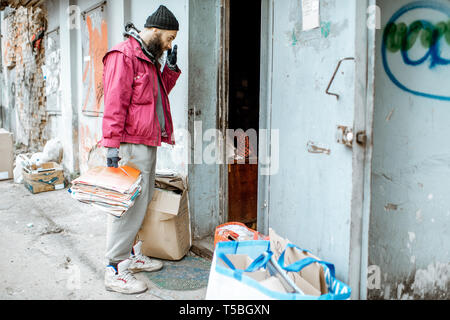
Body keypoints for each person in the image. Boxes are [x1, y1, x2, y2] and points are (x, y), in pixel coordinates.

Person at [100, 5, 181, 295]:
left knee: (141, 203)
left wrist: (169, 70)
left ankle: (130, 256)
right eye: (170, 38)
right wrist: (111, 146)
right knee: (127, 207)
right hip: (130, 145)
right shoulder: (124, 56)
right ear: (156, 31)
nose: (170, 44)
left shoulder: (147, 58)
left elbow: (154, 100)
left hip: (146, 142)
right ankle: (113, 269)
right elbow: (114, 103)